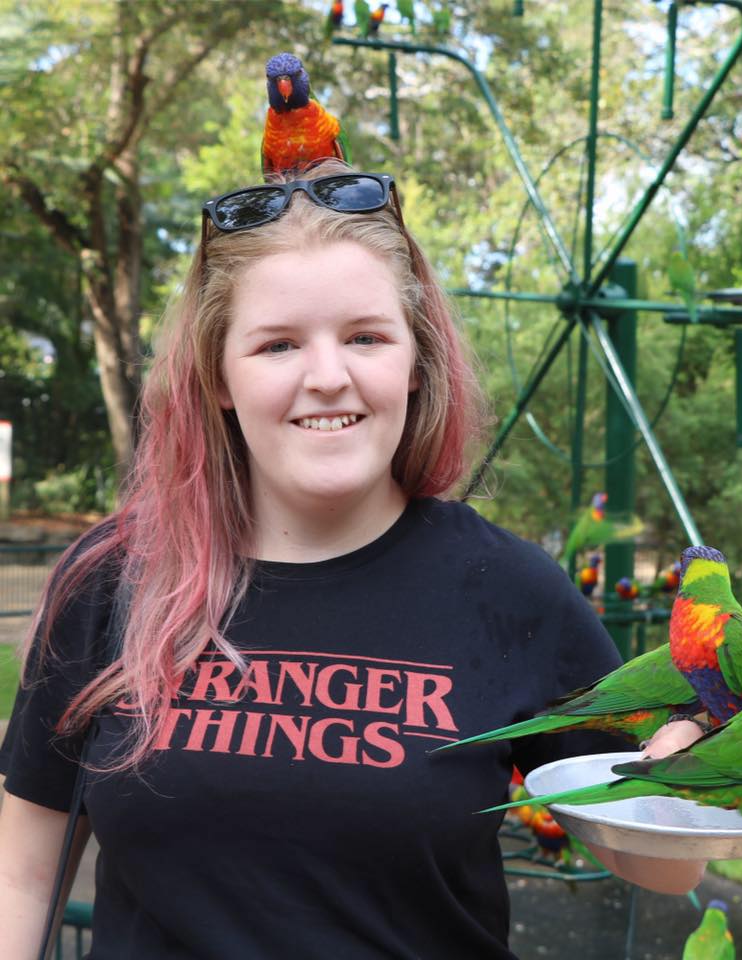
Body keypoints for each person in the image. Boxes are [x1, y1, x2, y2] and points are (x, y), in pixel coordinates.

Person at [0, 159, 703, 960]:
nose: (327, 377)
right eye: (277, 345)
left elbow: (658, 867)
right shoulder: (115, 578)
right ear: (219, 376)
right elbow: (21, 873)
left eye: (365, 337)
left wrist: (706, 776)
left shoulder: (510, 593)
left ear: (413, 360)